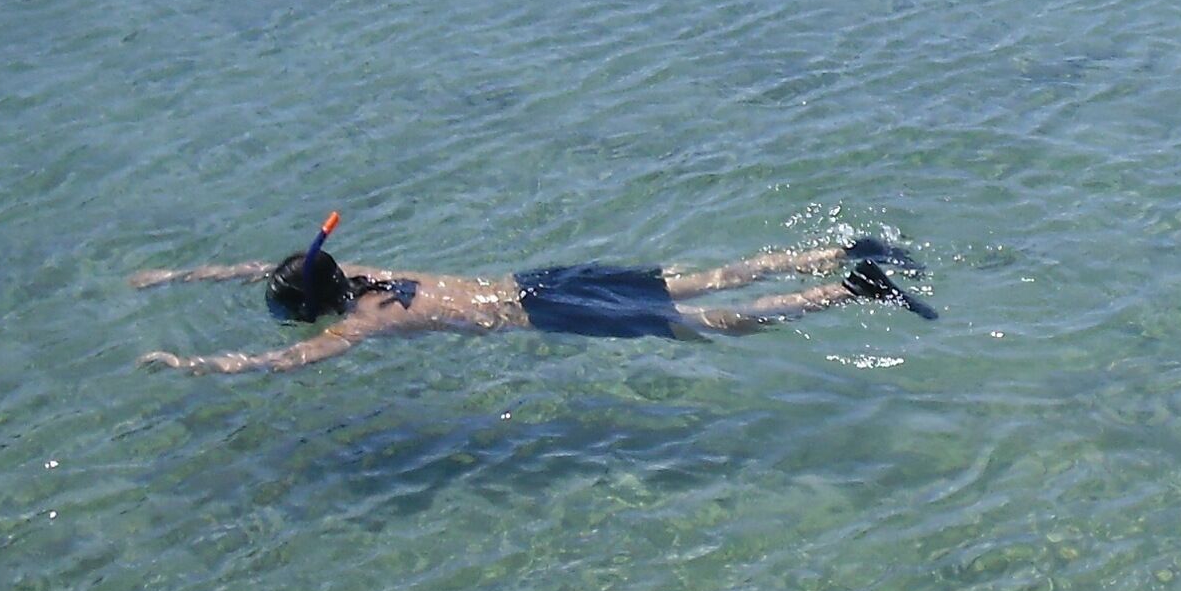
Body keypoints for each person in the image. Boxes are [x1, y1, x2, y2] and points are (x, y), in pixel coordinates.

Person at [133, 221, 934, 376]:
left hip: (544, 310)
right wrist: (178, 277)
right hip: (540, 279)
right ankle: (839, 248)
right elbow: (254, 266)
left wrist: (197, 363)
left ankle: (843, 289)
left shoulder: (362, 321)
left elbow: (286, 362)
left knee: (709, 327)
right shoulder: (366, 278)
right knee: (702, 277)